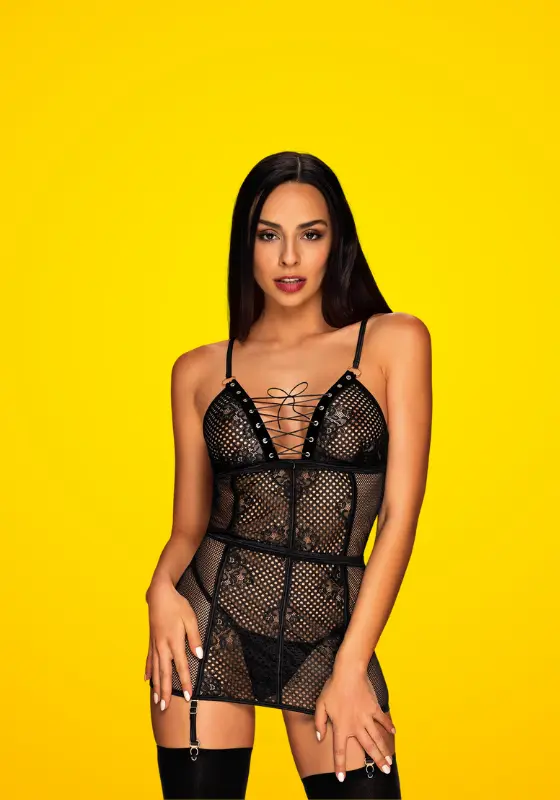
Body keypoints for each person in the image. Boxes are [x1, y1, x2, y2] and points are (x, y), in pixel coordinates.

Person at [144, 151, 432, 799]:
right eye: (269, 235)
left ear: (338, 243)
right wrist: (159, 590)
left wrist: (352, 666)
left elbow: (400, 518)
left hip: (333, 636)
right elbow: (188, 527)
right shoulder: (198, 371)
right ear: (244, 246)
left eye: (311, 234)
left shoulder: (394, 342)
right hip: (208, 622)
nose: (290, 258)